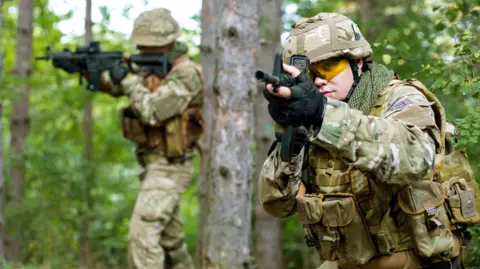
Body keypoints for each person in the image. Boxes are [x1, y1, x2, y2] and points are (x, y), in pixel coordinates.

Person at [259, 12, 476, 269]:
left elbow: (417, 157)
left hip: (418, 260)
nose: (320, 81)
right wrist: (289, 135)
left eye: (330, 67)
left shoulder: (400, 97)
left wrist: (322, 114)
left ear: (358, 62)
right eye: (311, 73)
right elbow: (277, 204)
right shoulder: (311, 118)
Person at [98, 8, 203, 269]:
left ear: (167, 44)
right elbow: (115, 86)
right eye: (141, 47)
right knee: (172, 242)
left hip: (170, 166)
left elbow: (154, 111)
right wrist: (100, 73)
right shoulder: (147, 67)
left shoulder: (187, 73)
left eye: (150, 47)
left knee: (142, 236)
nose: (143, 52)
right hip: (150, 164)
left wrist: (130, 81)